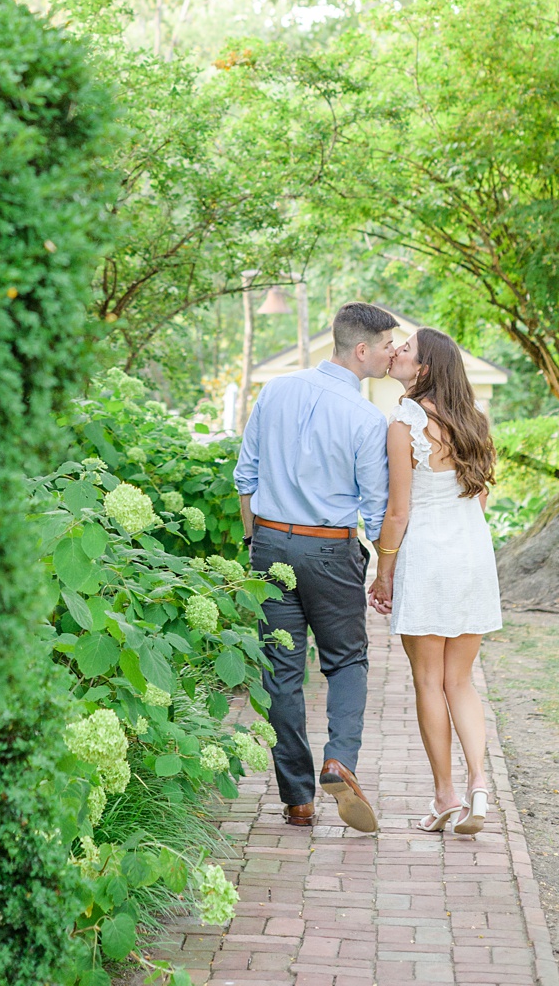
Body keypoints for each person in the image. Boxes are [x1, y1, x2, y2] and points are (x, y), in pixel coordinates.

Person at [232, 300, 396, 832]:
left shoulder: (275, 390)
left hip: (270, 544)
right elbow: (375, 508)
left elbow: (246, 477)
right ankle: (338, 761)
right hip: (329, 549)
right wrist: (386, 568)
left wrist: (257, 540)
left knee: (281, 673)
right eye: (388, 345)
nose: (393, 353)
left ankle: (297, 799)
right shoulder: (367, 418)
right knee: (347, 661)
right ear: (363, 349)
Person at [369, 327, 505, 834]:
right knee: (460, 681)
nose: (397, 354)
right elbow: (480, 498)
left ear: (423, 369)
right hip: (472, 554)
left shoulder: (404, 421)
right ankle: (478, 784)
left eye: (406, 351)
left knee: (429, 681)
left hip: (426, 556)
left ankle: (446, 795)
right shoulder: (475, 422)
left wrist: (383, 573)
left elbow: (398, 512)